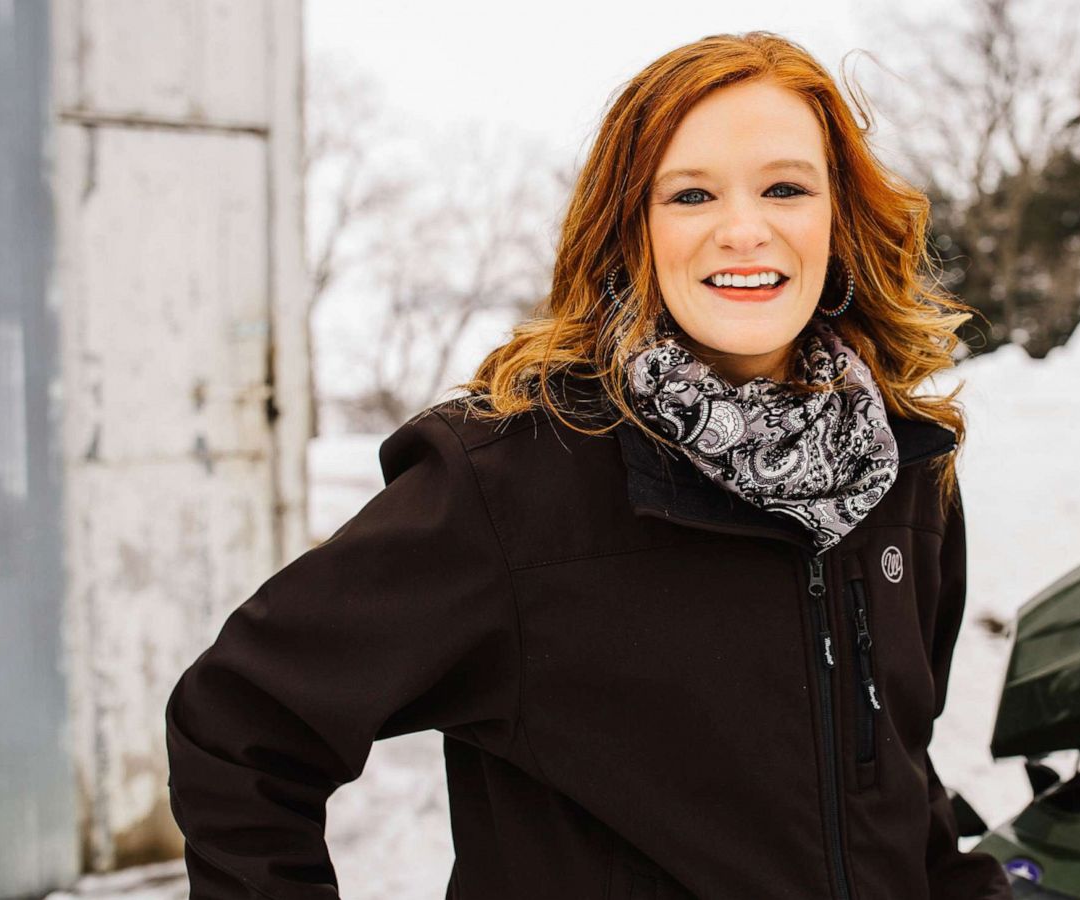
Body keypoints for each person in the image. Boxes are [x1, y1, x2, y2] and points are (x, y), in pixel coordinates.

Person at [165, 30, 1013, 900]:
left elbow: (889, 783)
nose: (744, 229)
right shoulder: (510, 480)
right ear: (631, 229)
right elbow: (240, 725)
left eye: (786, 188)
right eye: (690, 195)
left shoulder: (901, 474)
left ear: (838, 221)